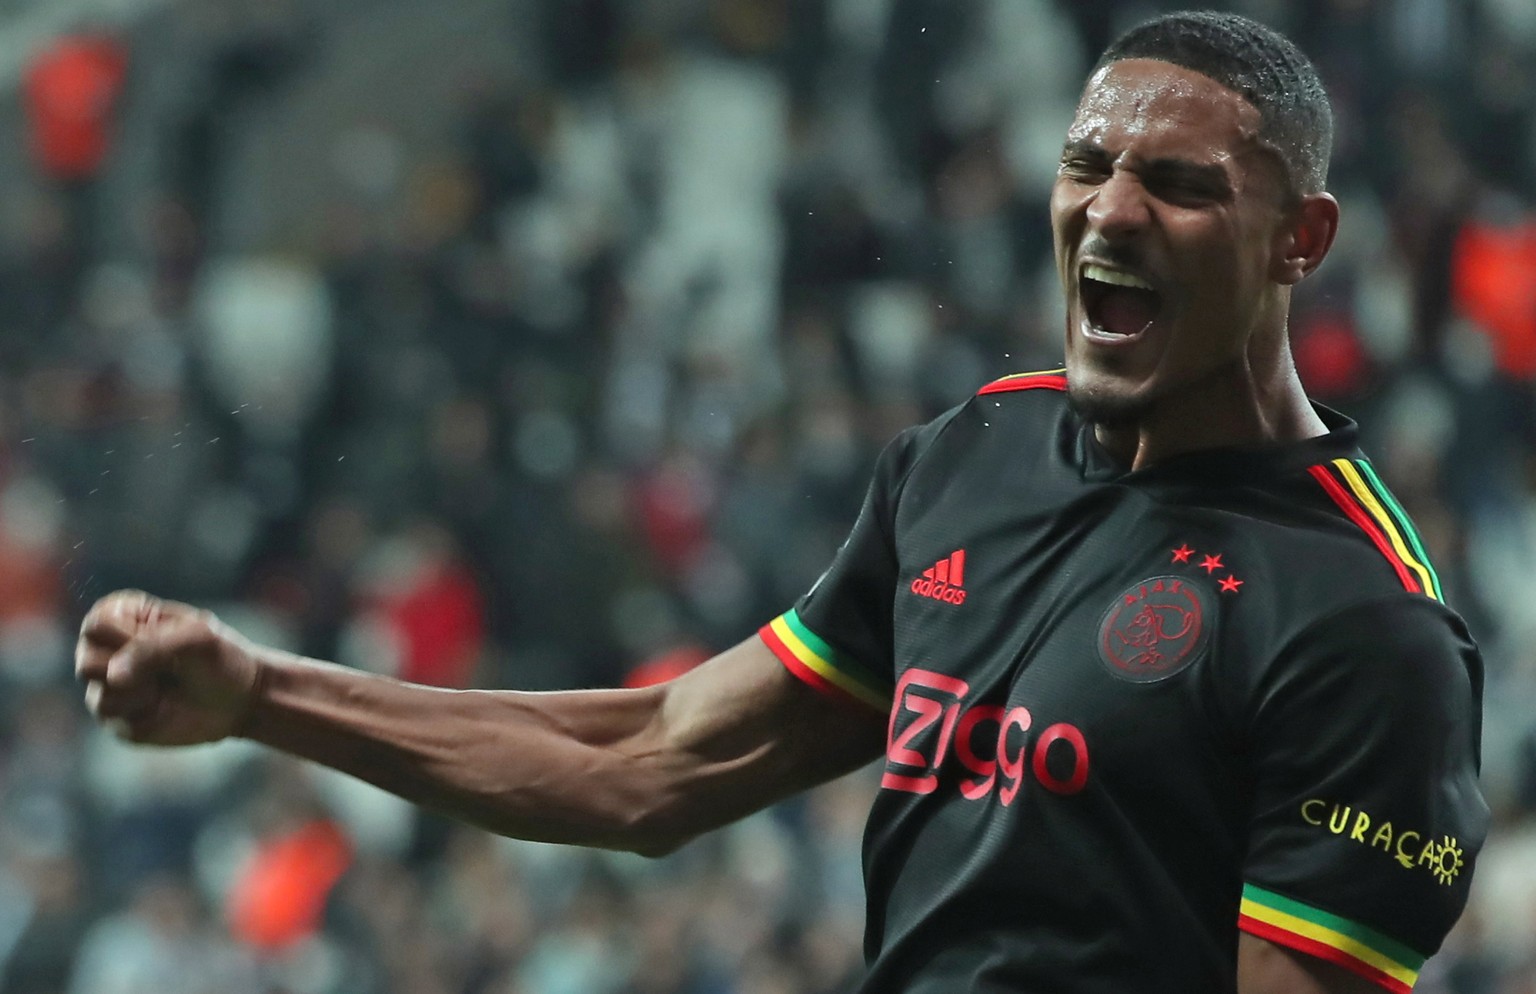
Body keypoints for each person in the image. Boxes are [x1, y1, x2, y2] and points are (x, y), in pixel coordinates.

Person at [76, 11, 1486, 993]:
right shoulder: (969, 459)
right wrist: (260, 693)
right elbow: (653, 762)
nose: (1109, 212)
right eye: (1086, 164)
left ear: (1300, 239)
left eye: (1178, 186)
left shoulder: (1363, 621)